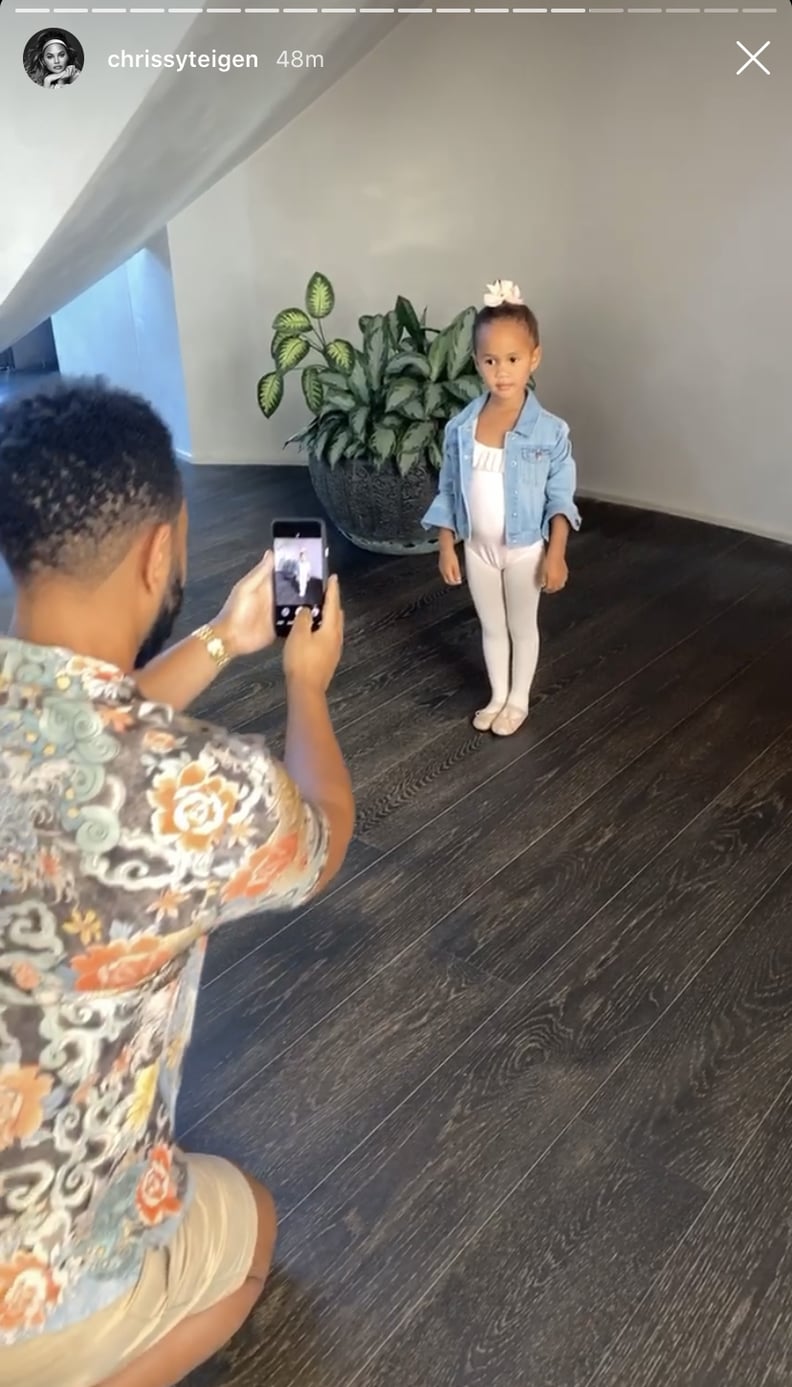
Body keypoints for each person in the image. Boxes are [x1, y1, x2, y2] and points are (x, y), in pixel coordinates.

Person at [0, 378, 355, 1387]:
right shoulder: (204, 788)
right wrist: (303, 684)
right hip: (30, 1294)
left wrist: (221, 640)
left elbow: (75, 728)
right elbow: (321, 839)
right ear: (163, 551)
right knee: (253, 1232)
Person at [422, 278, 581, 736]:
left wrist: (556, 553)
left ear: (534, 357)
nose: (502, 371)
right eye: (491, 361)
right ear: (477, 363)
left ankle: (519, 700)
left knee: (521, 625)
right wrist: (447, 545)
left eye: (512, 360)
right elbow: (449, 490)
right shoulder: (461, 427)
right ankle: (497, 695)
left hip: (524, 549)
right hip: (478, 549)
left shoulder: (549, 432)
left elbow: (560, 498)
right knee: (490, 627)